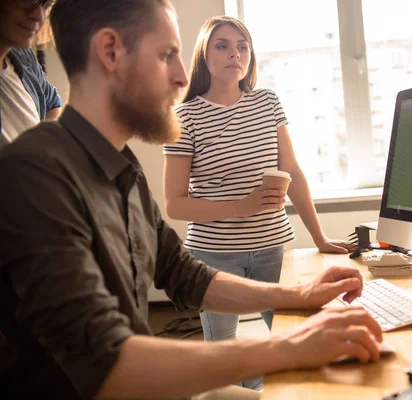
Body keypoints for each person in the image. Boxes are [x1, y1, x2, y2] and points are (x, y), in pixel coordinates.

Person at [0, 1, 383, 398]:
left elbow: (187, 274)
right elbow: (106, 364)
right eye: (166, 56)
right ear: (111, 51)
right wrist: (287, 347)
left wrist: (298, 295)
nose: (182, 77)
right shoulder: (34, 174)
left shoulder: (122, 168)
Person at [162, 16, 355, 389]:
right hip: (213, 256)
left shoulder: (267, 103)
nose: (235, 53)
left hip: (273, 250)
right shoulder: (184, 117)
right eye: (222, 45)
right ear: (204, 54)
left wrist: (319, 237)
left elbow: (293, 174)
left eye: (242, 46)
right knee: (224, 361)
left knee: (288, 344)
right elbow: (175, 204)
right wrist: (242, 206)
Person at [0, 0, 62, 146]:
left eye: (45, 5)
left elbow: (52, 102)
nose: (40, 17)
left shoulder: (22, 55)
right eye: (30, 1)